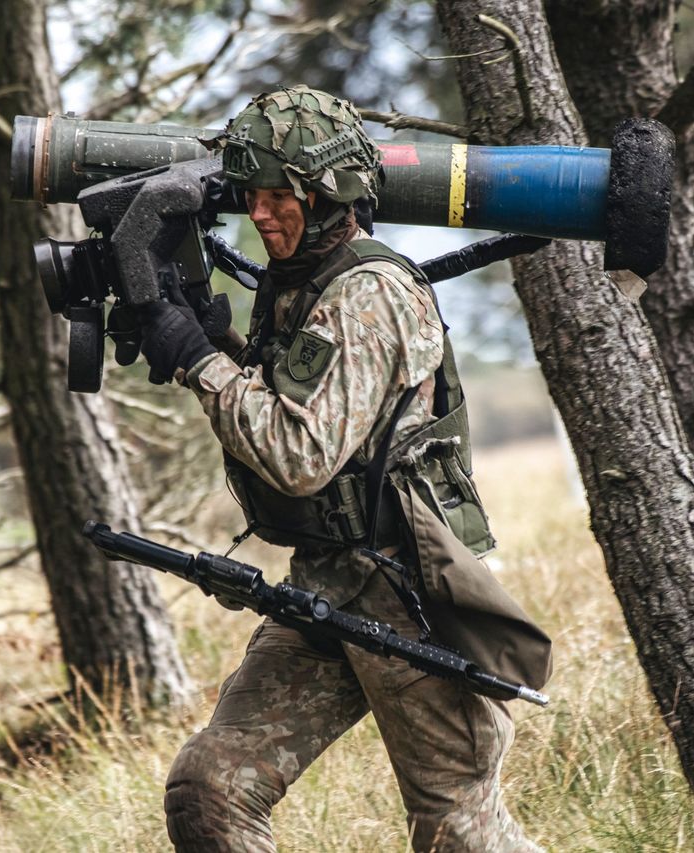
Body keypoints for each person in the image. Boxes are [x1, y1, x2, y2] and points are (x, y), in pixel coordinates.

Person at [135, 85, 551, 853]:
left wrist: (196, 360)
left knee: (460, 830)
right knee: (211, 789)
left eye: (277, 197)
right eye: (249, 196)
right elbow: (300, 407)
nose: (259, 215)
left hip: (407, 589)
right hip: (327, 580)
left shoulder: (370, 295)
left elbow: (299, 453)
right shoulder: (298, 287)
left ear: (329, 193)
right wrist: (215, 341)